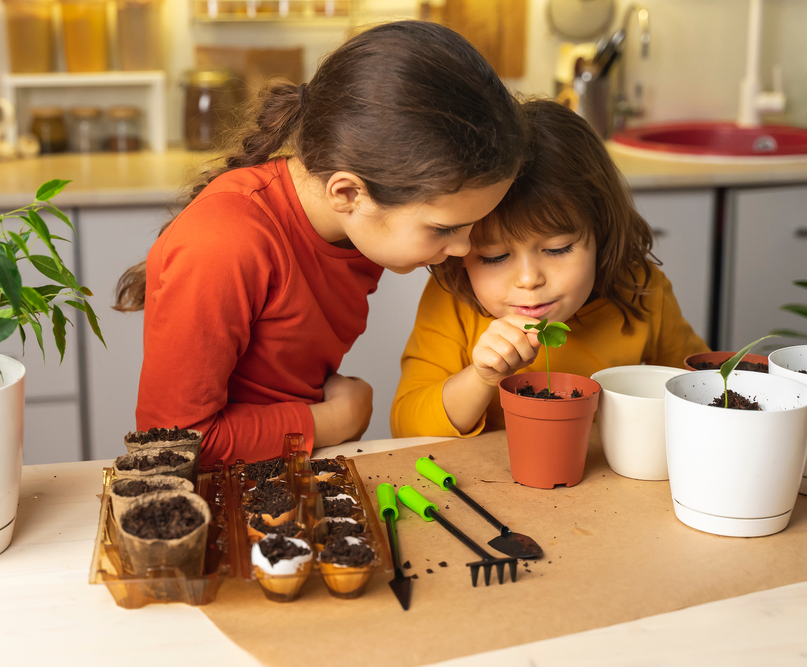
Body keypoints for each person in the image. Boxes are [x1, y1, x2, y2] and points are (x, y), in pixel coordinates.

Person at [114, 21, 528, 465]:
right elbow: (171, 444)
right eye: (445, 229)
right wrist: (337, 419)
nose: (465, 249)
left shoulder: (356, 226)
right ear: (348, 193)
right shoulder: (222, 244)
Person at [391, 98, 710, 439]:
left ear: (600, 232)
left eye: (557, 249)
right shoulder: (451, 299)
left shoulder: (642, 289)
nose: (530, 280)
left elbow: (704, 390)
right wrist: (481, 377)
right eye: (495, 257)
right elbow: (406, 426)